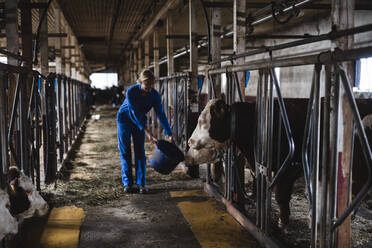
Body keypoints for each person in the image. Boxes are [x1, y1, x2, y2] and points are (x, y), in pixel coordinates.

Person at [117, 69, 173, 194]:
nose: (149, 86)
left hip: (140, 121)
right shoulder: (131, 92)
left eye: (152, 83)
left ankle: (141, 183)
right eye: (147, 83)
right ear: (140, 82)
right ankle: (128, 184)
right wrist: (148, 133)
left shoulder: (154, 95)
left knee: (140, 151)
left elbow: (161, 114)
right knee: (125, 150)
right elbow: (134, 114)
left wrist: (169, 133)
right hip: (125, 120)